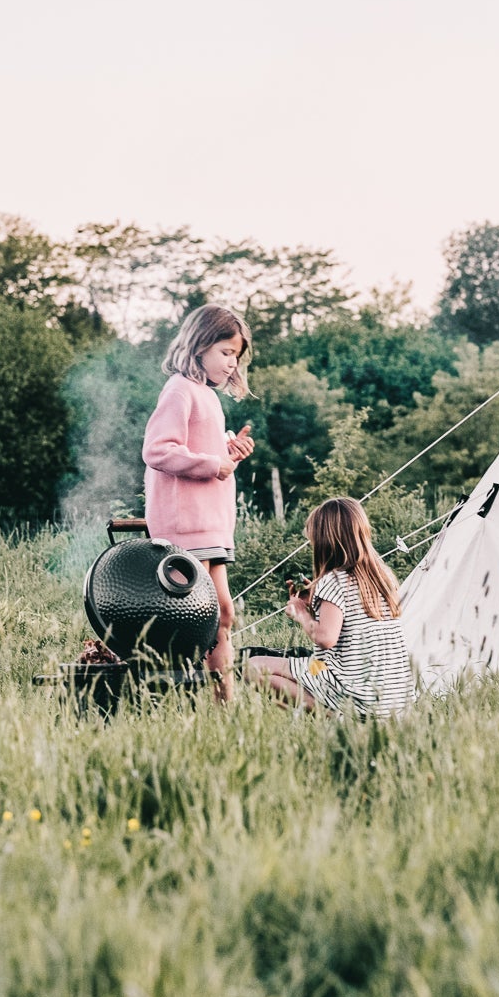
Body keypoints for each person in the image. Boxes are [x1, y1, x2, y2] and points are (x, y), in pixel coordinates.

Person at [142, 304, 255, 699]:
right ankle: (175, 697)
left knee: (223, 613)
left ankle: (224, 704)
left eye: (235, 356)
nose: (231, 363)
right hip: (186, 525)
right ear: (200, 344)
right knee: (192, 618)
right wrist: (213, 463)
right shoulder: (178, 389)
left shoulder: (206, 395)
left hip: (212, 525)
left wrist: (229, 452)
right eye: (226, 352)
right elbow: (158, 450)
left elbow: (206, 456)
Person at [247, 497, 412, 717]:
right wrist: (314, 604)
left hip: (357, 695)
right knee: (298, 667)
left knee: (253, 667)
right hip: (396, 700)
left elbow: (326, 638)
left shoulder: (334, 581)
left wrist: (301, 614)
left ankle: (335, 718)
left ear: (325, 541)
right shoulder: (384, 577)